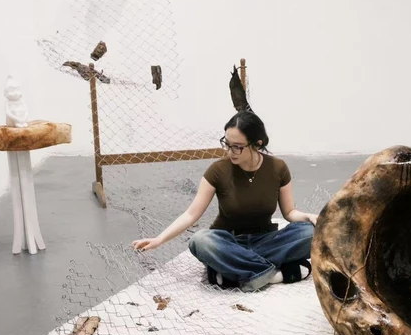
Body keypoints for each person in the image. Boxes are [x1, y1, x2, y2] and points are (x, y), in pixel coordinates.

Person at [131, 110, 319, 292]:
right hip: (229, 241)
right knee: (200, 240)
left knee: (311, 233)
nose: (230, 151)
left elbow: (289, 213)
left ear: (257, 144)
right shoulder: (218, 170)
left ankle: (233, 273)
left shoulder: (278, 168)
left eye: (237, 146)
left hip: (265, 240)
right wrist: (159, 239)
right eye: (226, 144)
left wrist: (311, 217)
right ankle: (276, 274)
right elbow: (191, 214)